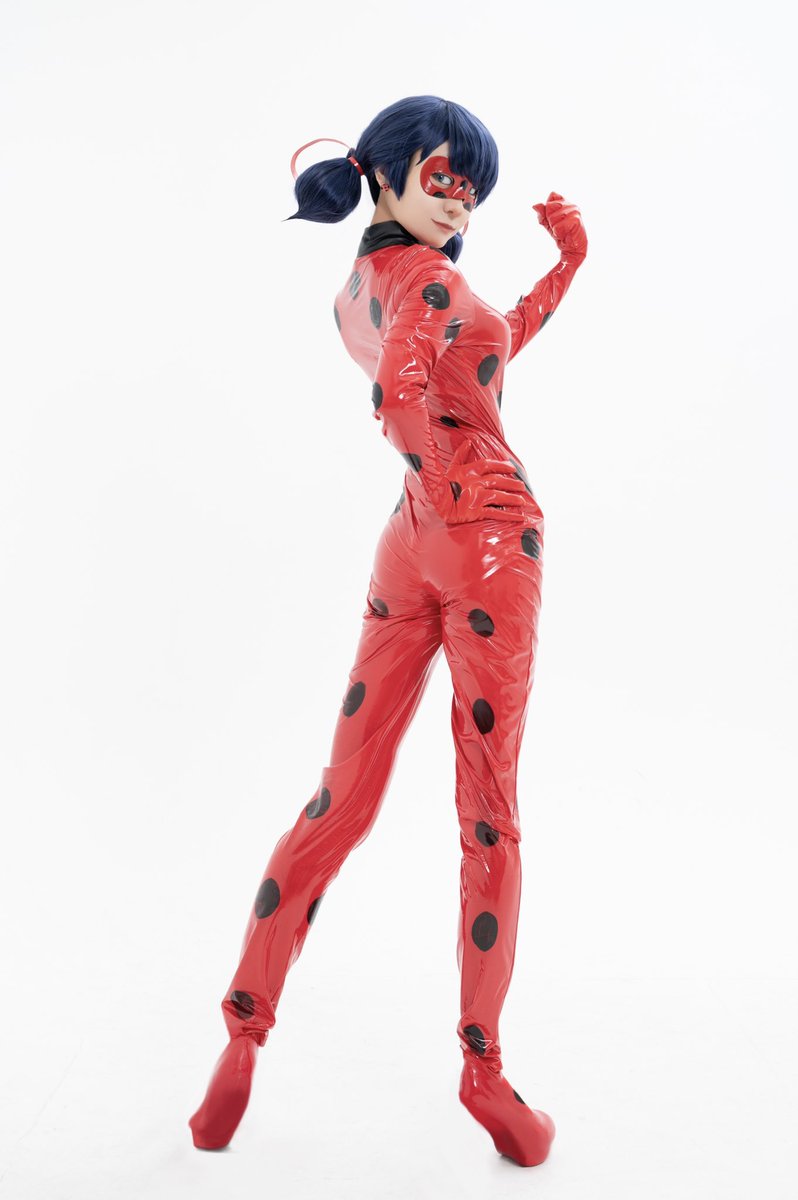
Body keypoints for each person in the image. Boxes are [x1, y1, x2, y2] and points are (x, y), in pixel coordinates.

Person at [188, 94, 587, 1168]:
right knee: (489, 812)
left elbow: (480, 357)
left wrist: (566, 268)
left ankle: (242, 1032)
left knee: (342, 792)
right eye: (444, 178)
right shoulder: (434, 284)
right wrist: (451, 481)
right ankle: (483, 1069)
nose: (459, 202)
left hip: (407, 544)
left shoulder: (358, 292)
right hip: (486, 536)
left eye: (472, 190)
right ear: (382, 170)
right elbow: (404, 397)